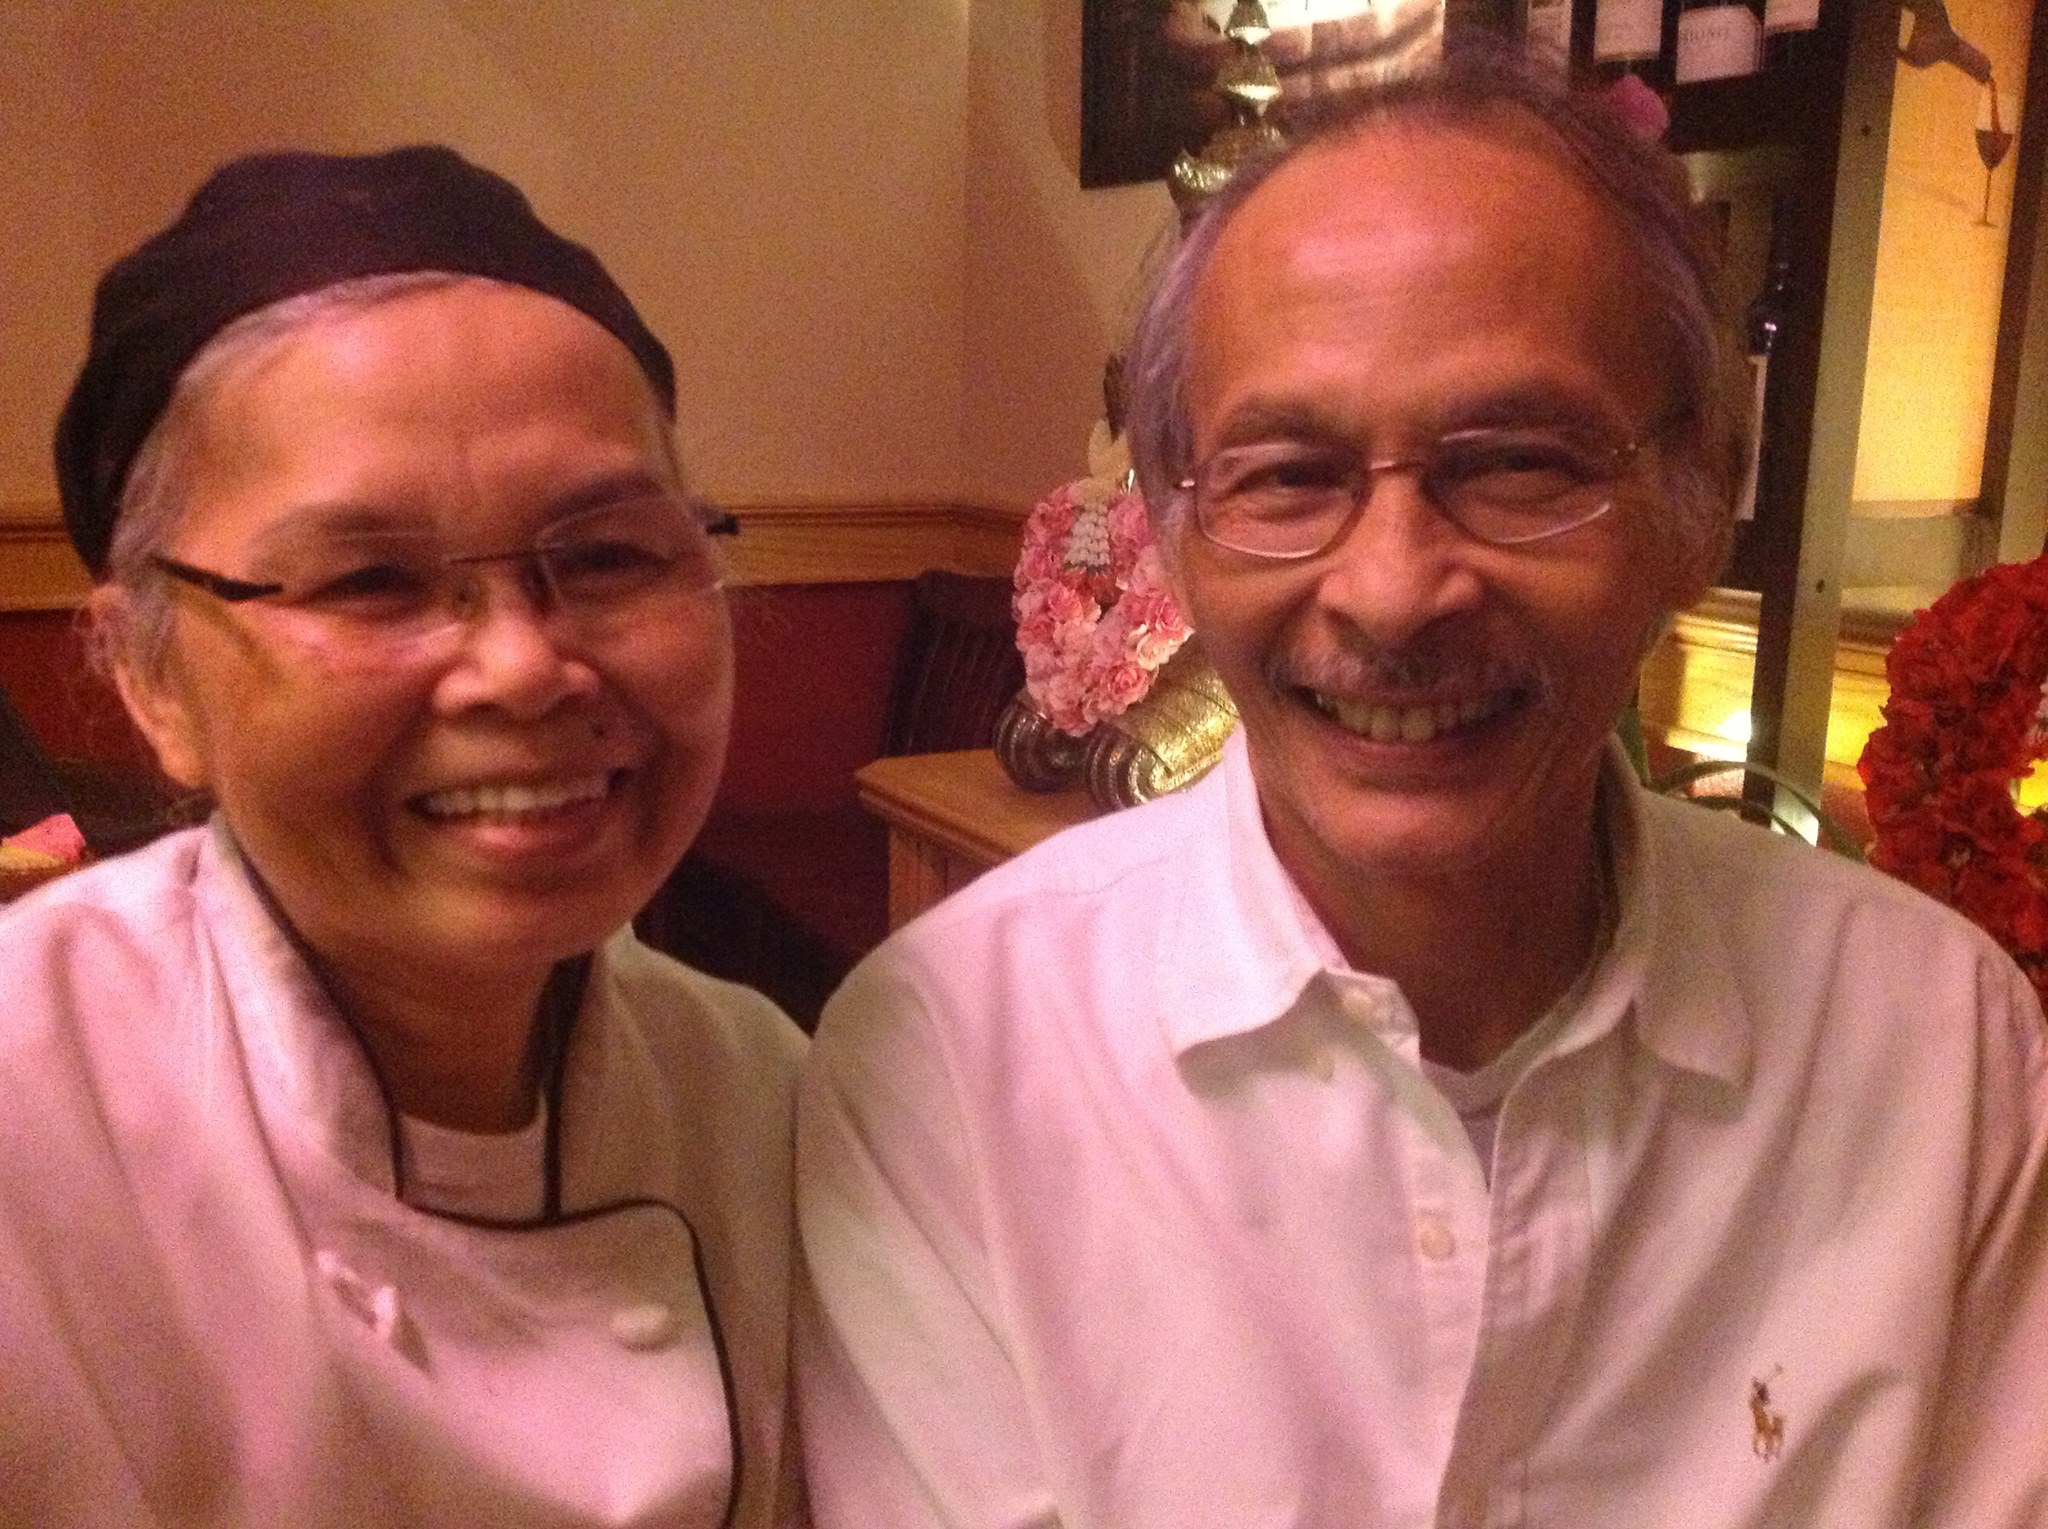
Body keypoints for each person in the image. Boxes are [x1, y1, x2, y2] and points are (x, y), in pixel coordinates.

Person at [795, 48, 2048, 1528]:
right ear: (1175, 533)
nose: (1391, 592)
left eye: (1516, 463)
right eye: (1285, 476)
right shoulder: (954, 1059)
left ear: (1702, 496)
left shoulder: (1937, 1048)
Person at [0, 146, 807, 1525]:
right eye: (371, 579)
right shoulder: (32, 1113)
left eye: (608, 554)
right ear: (151, 677)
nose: (522, 668)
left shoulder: (760, 1093)